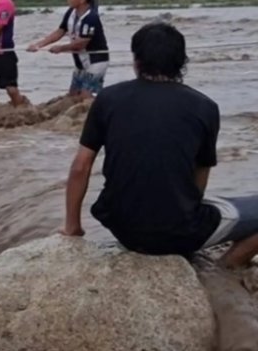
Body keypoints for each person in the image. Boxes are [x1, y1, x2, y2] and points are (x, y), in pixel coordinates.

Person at [63, 21, 258, 268]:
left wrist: (72, 226)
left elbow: (81, 166)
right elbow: (201, 173)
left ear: (136, 60)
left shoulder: (108, 99)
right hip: (177, 232)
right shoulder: (205, 107)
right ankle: (225, 268)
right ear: (182, 63)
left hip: (121, 227)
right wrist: (185, 212)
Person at [27, 0, 109, 100]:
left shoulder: (91, 17)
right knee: (73, 96)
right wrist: (38, 45)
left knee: (86, 98)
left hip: (96, 60)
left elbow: (82, 43)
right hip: (80, 61)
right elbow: (61, 31)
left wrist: (61, 48)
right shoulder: (71, 12)